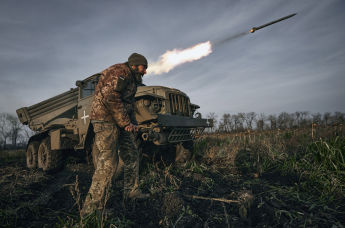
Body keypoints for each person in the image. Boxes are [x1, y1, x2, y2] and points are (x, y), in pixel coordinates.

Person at [81, 53, 148, 215]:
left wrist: (133, 124)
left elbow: (128, 104)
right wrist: (126, 123)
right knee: (108, 162)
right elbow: (111, 98)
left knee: (132, 155)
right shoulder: (120, 72)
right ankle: (91, 208)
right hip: (105, 120)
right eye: (143, 67)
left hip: (119, 121)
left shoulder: (132, 79)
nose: (145, 71)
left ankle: (131, 192)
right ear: (134, 65)